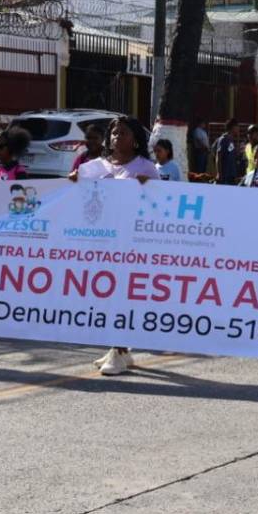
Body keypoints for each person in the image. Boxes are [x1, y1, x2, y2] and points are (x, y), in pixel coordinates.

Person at [71, 116, 160, 376]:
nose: (115, 138)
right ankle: (120, 350)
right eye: (113, 133)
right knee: (105, 294)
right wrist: (73, 182)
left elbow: (161, 203)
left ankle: (118, 349)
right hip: (101, 241)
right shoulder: (93, 167)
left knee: (122, 295)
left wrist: (149, 188)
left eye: (122, 133)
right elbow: (80, 199)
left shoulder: (145, 167)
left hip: (130, 243)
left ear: (135, 140)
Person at [214, 119, 242, 185]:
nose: (238, 129)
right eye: (237, 126)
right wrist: (219, 173)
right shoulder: (223, 139)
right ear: (233, 127)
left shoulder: (231, 140)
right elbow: (218, 156)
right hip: (225, 176)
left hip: (232, 175)